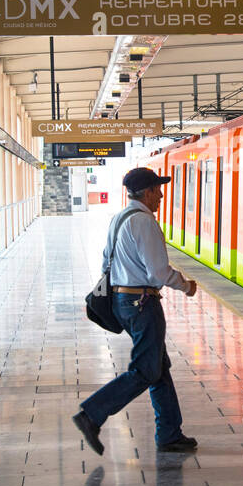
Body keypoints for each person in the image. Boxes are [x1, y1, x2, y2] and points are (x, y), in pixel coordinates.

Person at [72, 168, 198, 456]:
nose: (162, 195)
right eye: (158, 189)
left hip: (123, 300)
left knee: (158, 367)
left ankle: (169, 432)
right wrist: (185, 285)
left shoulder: (120, 218)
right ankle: (92, 413)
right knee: (146, 370)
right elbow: (158, 272)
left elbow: (107, 261)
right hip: (142, 303)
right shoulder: (144, 222)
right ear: (148, 191)